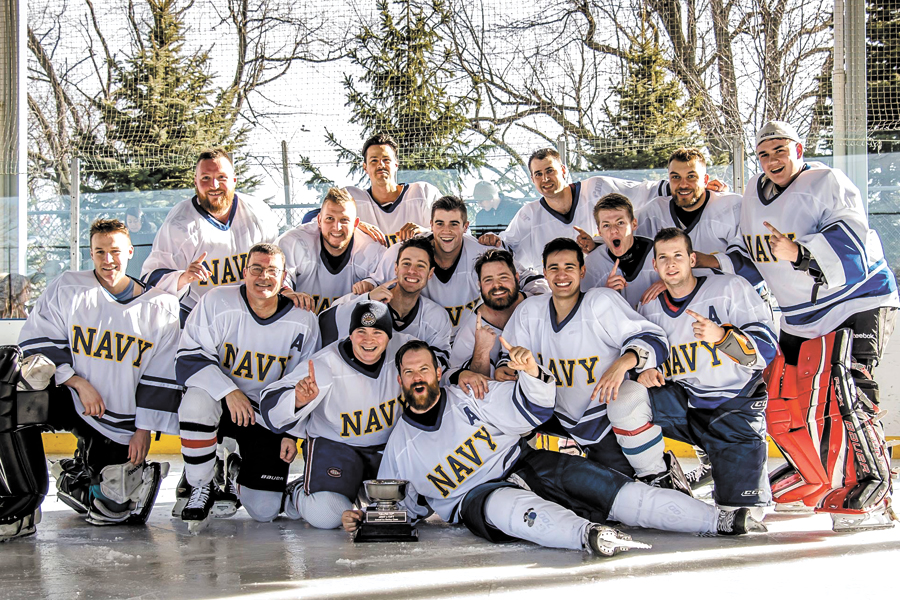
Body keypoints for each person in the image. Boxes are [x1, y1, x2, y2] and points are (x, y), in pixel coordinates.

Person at [341, 341, 764, 556]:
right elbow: (402, 510)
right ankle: (588, 537)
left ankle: (722, 520)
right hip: (475, 499)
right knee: (504, 506)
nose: (417, 376)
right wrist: (363, 518)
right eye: (408, 371)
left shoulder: (473, 395)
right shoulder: (400, 446)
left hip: (522, 461)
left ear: (438, 372)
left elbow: (532, 407)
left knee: (610, 489)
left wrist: (530, 373)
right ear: (399, 379)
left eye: (424, 368)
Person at [699, 120, 898, 529]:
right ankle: (812, 478)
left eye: (780, 150)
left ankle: (875, 486)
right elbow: (750, 258)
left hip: (855, 301)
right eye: (764, 153)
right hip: (799, 315)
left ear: (799, 149)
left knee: (849, 389)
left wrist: (801, 252)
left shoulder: (828, 182)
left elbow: (854, 239)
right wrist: (706, 259)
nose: (772, 160)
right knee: (784, 399)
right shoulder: (752, 196)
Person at [11, 219, 180, 534]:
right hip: (72, 397)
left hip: (118, 420)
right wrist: (76, 381)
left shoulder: (162, 308)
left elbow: (161, 378)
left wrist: (143, 431)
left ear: (130, 251)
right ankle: (20, 504)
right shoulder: (69, 287)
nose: (108, 260)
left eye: (115, 251)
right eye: (99, 252)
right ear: (91, 253)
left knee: (112, 509)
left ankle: (76, 475)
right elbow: (36, 340)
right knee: (9, 401)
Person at [611, 228, 777, 520]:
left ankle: (723, 468)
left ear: (691, 259)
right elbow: (644, 351)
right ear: (655, 265)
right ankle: (660, 478)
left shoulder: (730, 288)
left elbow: (765, 349)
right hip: (684, 403)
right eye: (663, 258)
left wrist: (722, 337)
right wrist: (645, 371)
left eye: (677, 256)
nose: (671, 264)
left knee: (742, 516)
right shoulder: (650, 306)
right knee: (625, 398)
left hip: (733, 405)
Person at [499, 237, 689, 492]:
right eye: (554, 268)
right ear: (544, 272)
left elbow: (653, 339)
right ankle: (513, 475)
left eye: (569, 267)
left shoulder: (601, 301)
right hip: (556, 416)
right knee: (499, 402)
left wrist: (622, 363)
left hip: (605, 418)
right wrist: (509, 366)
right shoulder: (529, 311)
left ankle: (658, 473)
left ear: (582, 270)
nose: (561, 274)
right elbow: (507, 358)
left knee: (627, 400)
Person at [175, 243, 320, 533]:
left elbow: (305, 383)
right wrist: (228, 390)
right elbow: (188, 358)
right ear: (245, 272)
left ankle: (236, 470)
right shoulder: (217, 301)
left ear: (283, 279)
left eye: (272, 271)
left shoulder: (303, 320)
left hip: (266, 416)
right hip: (224, 404)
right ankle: (201, 484)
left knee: (264, 512)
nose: (263, 277)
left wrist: (291, 433)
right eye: (257, 269)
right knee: (195, 400)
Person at [258, 301, 413, 530]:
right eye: (361, 332)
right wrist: (298, 399)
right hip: (336, 447)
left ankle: (357, 493)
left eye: (377, 332)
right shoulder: (324, 364)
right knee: (327, 515)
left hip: (386, 449)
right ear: (350, 334)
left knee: (415, 504)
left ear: (389, 336)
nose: (368, 340)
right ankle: (298, 493)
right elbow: (269, 404)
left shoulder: (406, 351)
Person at [369, 196, 547, 338]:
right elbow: (373, 286)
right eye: (440, 223)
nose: (446, 230)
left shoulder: (483, 250)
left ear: (465, 227)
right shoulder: (404, 253)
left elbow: (528, 279)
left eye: (454, 224)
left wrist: (532, 302)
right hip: (423, 340)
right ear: (431, 225)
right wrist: (367, 289)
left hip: (471, 340)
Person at [141, 148, 280, 320]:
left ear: (234, 180)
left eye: (221, 178)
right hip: (201, 319)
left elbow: (278, 265)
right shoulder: (178, 225)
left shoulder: (258, 212)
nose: (214, 185)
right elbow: (149, 279)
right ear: (196, 182)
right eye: (206, 178)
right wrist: (183, 278)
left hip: (253, 315)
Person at [477, 147, 667, 271]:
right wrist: (493, 240)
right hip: (563, 296)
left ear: (563, 170)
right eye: (538, 174)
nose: (545, 179)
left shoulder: (597, 188)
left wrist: (679, 186)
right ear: (532, 179)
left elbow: (644, 192)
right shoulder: (529, 215)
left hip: (613, 280)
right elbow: (508, 246)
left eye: (550, 170)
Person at [318, 237, 451, 368]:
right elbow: (323, 324)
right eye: (406, 263)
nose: (412, 271)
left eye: (420, 265)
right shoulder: (367, 298)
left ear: (430, 273)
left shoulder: (436, 317)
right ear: (396, 268)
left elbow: (442, 362)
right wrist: (367, 299)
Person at [277, 187, 386, 314]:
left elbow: (387, 281)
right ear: (319, 220)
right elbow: (274, 275)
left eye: (344, 220)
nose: (337, 227)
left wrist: (372, 283)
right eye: (330, 218)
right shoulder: (296, 241)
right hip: (303, 324)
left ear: (356, 224)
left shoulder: (371, 248)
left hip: (348, 329)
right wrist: (286, 291)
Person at [443, 249, 529, 392]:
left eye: (503, 277)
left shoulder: (537, 304)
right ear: (480, 285)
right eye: (488, 280)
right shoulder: (471, 329)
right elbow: (471, 390)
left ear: (517, 278)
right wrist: (481, 352)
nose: (497, 285)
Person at [346, 133, 442, 247]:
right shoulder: (351, 198)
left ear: (396, 164)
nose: (380, 165)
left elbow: (453, 227)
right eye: (374, 160)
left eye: (386, 159)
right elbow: (322, 219)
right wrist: (352, 224)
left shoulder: (423, 193)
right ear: (365, 167)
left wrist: (424, 233)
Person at [581, 193, 660, 310]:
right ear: (599, 231)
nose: (614, 230)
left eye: (620, 223)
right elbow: (583, 313)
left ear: (633, 224)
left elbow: (690, 283)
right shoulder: (591, 265)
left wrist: (671, 284)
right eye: (606, 225)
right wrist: (604, 294)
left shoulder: (660, 253)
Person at [124, 206, 158, 279]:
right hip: (129, 275)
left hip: (148, 274)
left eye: (136, 221)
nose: (133, 224)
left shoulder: (151, 236)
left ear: (141, 220)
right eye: (130, 221)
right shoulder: (124, 237)